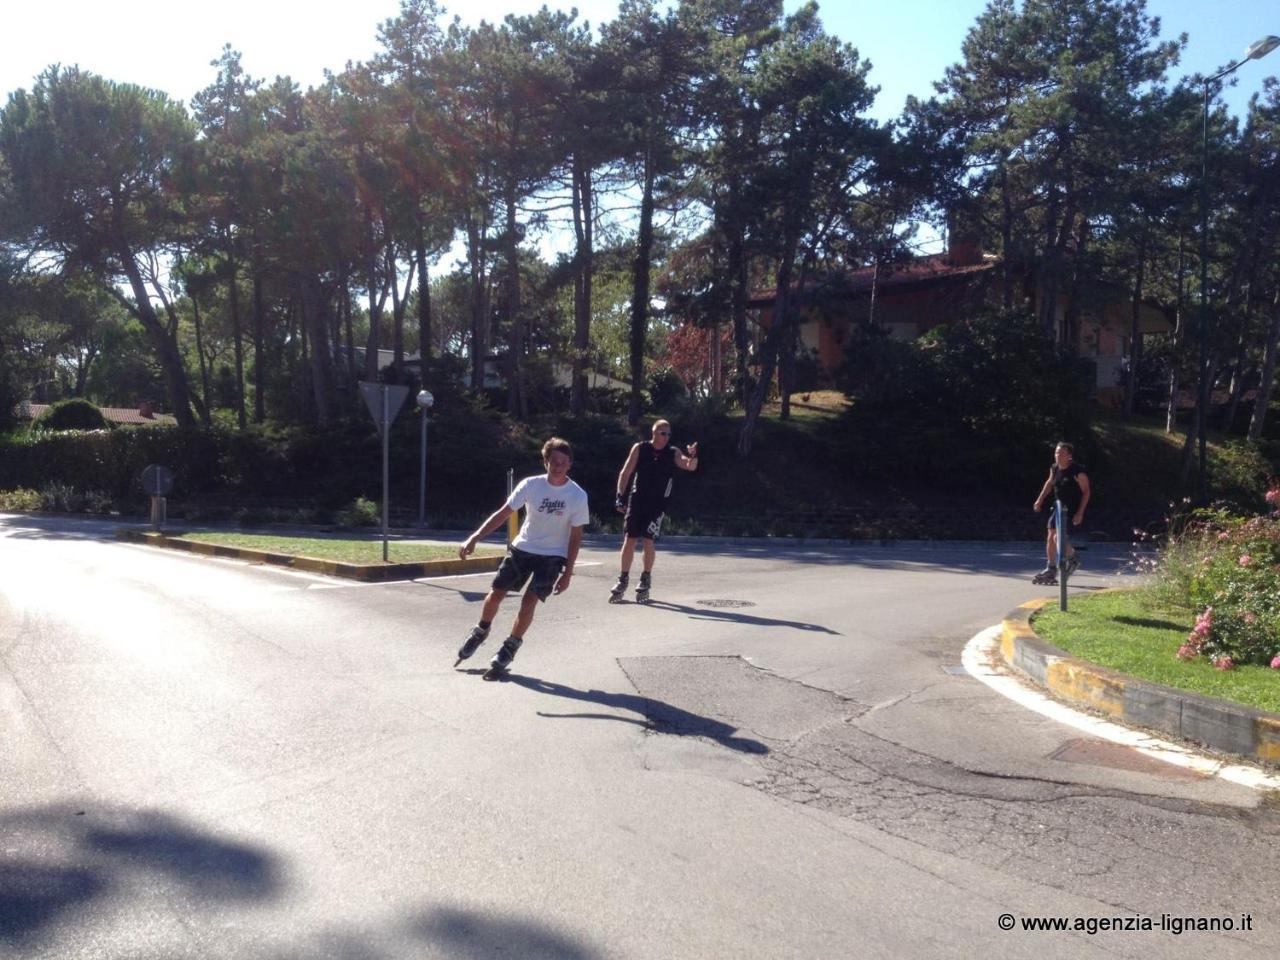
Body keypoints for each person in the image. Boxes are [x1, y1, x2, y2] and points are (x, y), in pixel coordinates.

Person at [456, 437, 589, 680]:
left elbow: (575, 538)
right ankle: (481, 630)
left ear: (569, 464)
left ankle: (511, 645)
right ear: (546, 461)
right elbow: (504, 513)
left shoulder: (577, 495)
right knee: (496, 592)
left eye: (563, 462)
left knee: (529, 602)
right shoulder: (530, 485)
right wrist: (475, 537)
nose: (558, 466)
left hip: (552, 556)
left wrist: (568, 574)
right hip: (523, 548)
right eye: (553, 461)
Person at [609, 419, 698, 603]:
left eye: (668, 434)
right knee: (630, 538)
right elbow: (625, 473)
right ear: (654, 433)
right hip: (637, 500)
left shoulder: (673, 452)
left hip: (657, 504)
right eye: (662, 433)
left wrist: (694, 455)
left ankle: (645, 577)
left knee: (649, 540)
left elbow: (689, 466)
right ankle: (623, 578)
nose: (666, 437)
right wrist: (620, 495)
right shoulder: (640, 448)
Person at [1032, 441, 1091, 584]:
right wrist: (1040, 500)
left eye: (1061, 453)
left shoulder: (1078, 471)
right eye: (1056, 452)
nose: (1058, 455)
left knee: (1058, 537)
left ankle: (1073, 557)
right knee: (1050, 536)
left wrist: (1080, 513)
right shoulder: (1055, 468)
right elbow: (1049, 483)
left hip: (1071, 509)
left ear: (1069, 456)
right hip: (1058, 506)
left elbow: (1086, 492)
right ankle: (1050, 568)